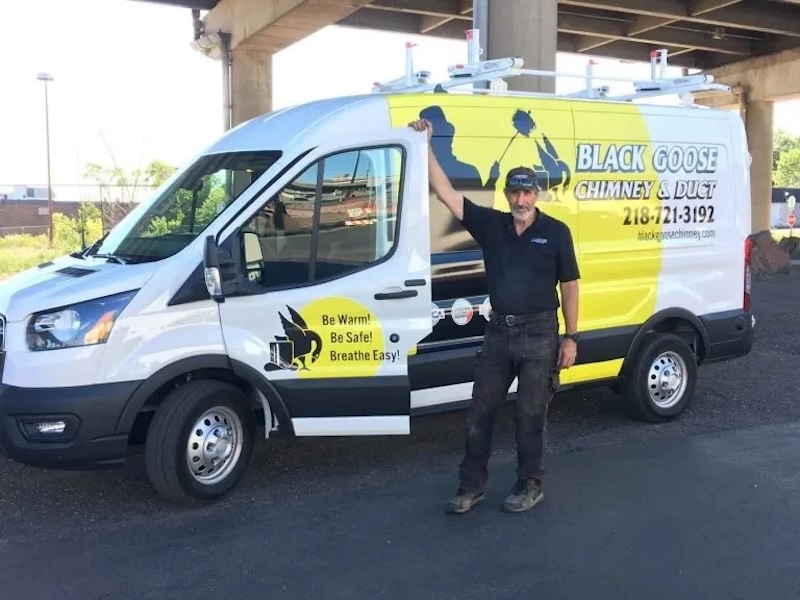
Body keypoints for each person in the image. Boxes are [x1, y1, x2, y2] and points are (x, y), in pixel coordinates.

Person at [408, 118, 580, 515]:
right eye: (515, 192)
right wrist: (425, 145)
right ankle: (470, 487)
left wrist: (571, 337)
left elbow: (570, 286)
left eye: (527, 192)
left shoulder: (557, 232)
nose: (521, 200)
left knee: (530, 415)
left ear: (537, 194)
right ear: (506, 195)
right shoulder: (492, 225)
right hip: (499, 334)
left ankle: (529, 484)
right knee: (480, 411)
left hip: (540, 335)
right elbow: (446, 193)